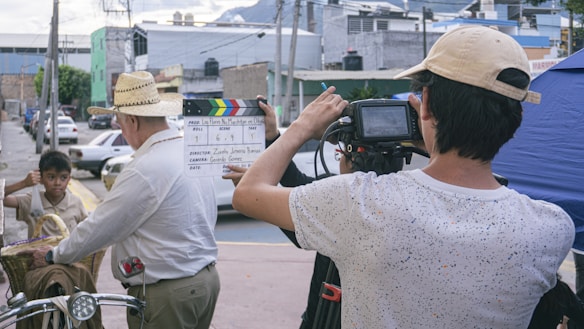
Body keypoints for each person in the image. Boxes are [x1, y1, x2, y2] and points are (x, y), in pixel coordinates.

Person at [231, 25, 575, 328]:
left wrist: (301, 128)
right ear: (515, 120)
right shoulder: (551, 228)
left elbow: (249, 193)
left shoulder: (362, 203)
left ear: (424, 104)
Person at [26, 71, 220, 329]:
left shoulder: (146, 166)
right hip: (205, 282)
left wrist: (53, 255)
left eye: (119, 123)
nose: (121, 131)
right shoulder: (187, 150)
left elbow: (102, 226)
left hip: (169, 294)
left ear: (132, 121)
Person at [224, 97, 404, 329]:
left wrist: (302, 127)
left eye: (339, 154)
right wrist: (271, 135)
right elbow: (299, 185)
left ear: (350, 160)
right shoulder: (405, 196)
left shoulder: (343, 200)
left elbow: (251, 198)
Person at [4, 150, 87, 238]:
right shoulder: (32, 201)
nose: (57, 183)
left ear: (69, 179)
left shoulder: (76, 203)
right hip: (36, 251)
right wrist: (24, 183)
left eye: (63, 177)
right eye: (51, 177)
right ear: (41, 178)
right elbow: (3, 199)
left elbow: (88, 231)